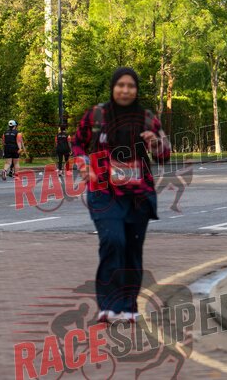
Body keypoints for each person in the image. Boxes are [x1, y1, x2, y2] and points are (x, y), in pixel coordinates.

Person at [72, 67, 170, 323]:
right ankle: (108, 305)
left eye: (131, 86)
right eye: (121, 85)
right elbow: (78, 143)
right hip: (103, 192)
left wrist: (155, 143)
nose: (125, 90)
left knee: (132, 249)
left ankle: (129, 306)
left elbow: (164, 154)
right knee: (113, 241)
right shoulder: (97, 115)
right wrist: (84, 164)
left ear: (136, 90)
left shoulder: (147, 119)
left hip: (138, 195)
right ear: (113, 87)